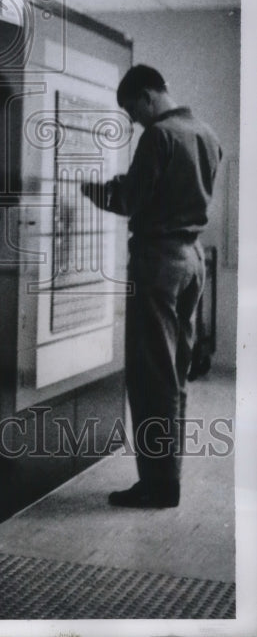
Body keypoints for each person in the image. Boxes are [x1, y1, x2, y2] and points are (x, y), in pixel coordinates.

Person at [81, 64, 222, 508]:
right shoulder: (205, 132)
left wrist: (95, 191)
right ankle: (168, 478)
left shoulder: (159, 136)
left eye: (131, 110)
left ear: (146, 96)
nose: (133, 120)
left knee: (150, 376)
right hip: (191, 259)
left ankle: (157, 485)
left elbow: (131, 199)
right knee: (175, 373)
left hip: (158, 261)